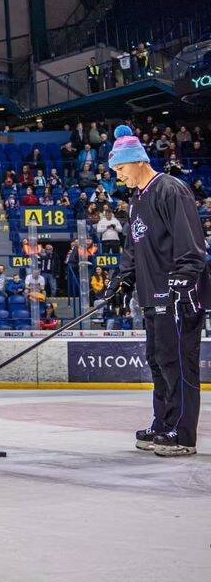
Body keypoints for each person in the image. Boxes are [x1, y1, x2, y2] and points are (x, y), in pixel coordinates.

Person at [105, 125, 211, 457]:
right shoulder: (137, 201)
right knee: (158, 360)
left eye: (120, 168)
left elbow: (191, 244)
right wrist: (122, 282)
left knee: (178, 362)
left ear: (137, 161)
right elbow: (133, 250)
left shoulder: (171, 189)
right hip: (152, 297)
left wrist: (184, 278)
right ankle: (163, 423)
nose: (118, 176)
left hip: (179, 296)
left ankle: (182, 432)